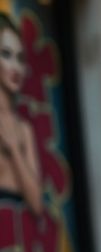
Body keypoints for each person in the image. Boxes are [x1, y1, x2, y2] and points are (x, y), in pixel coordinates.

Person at [0, 14, 43, 216]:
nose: (15, 67)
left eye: (20, 58)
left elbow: (37, 204)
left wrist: (14, 150)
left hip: (23, 239)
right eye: (6, 54)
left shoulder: (24, 129)